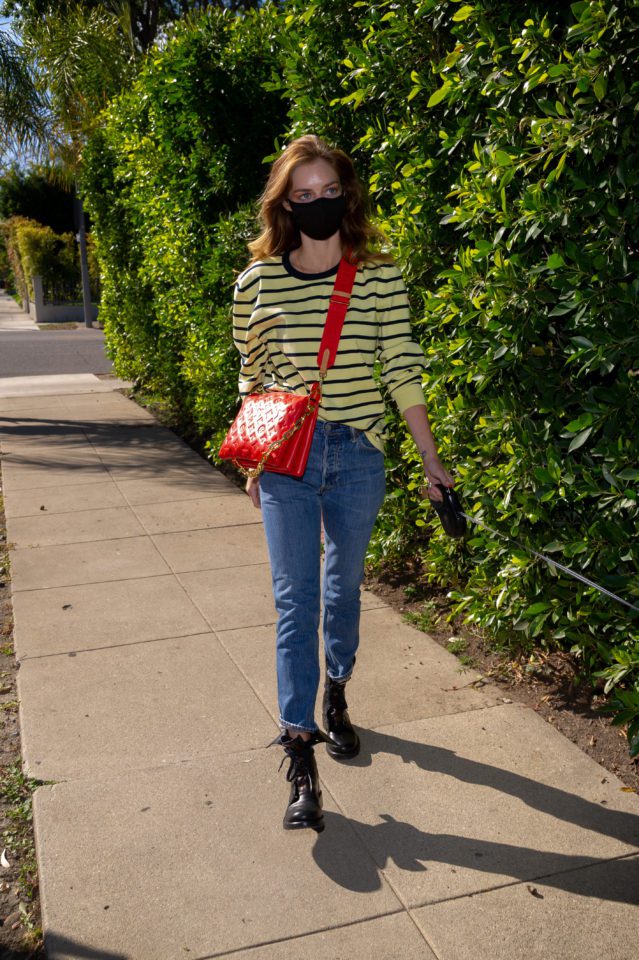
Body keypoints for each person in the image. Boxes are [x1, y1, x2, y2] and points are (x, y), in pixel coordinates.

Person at [232, 134, 454, 833]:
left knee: (341, 588)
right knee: (294, 600)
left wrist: (428, 457)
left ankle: (337, 691)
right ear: (285, 205)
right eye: (304, 196)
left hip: (359, 457)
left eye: (330, 192)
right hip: (289, 464)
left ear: (346, 196)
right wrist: (253, 460)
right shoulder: (256, 283)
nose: (319, 204)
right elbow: (253, 377)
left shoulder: (378, 278)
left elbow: (402, 368)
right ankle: (300, 753)